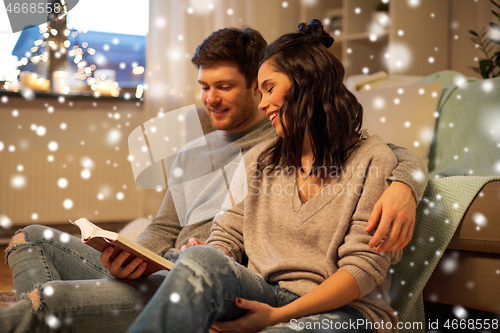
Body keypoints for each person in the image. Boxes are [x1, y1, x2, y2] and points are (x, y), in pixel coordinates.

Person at [1, 25, 426, 333]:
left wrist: (406, 180)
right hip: (191, 272)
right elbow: (191, 230)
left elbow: (386, 154)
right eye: (204, 86)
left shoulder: (352, 151)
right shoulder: (242, 156)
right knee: (33, 242)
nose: (210, 98)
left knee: (58, 305)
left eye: (227, 86)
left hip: (248, 288)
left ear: (304, 85)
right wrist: (128, 260)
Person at [127, 20, 405, 333]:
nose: (262, 103)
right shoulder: (260, 160)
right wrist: (215, 252)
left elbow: (363, 269)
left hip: (346, 312)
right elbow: (227, 233)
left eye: (269, 89)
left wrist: (277, 317)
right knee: (203, 258)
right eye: (260, 92)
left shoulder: (372, 160)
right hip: (265, 293)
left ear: (308, 83)